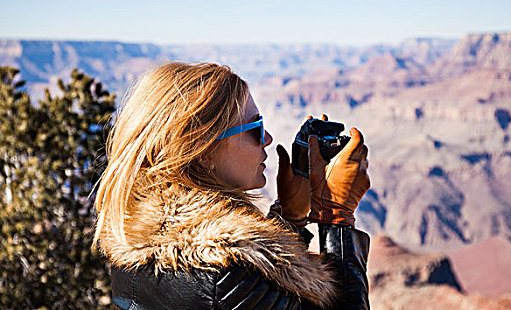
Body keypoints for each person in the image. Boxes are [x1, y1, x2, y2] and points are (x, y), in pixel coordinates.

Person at [93, 62, 371, 310]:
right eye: (255, 128)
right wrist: (336, 215)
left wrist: (290, 218)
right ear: (200, 150)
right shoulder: (225, 277)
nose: (268, 139)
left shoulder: (133, 242)